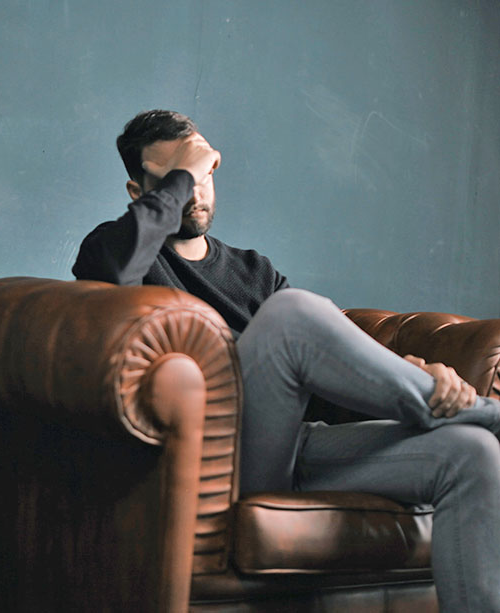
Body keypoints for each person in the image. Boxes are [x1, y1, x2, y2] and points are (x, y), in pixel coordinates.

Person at [72, 109, 500, 612]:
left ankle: (462, 415)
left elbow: (318, 371)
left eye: (205, 171)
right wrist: (185, 175)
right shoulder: (117, 251)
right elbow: (107, 274)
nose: (196, 190)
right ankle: (482, 412)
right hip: (216, 462)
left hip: (290, 447)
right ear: (138, 191)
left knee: (473, 454)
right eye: (176, 176)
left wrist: (411, 369)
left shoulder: (255, 271)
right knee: (292, 314)